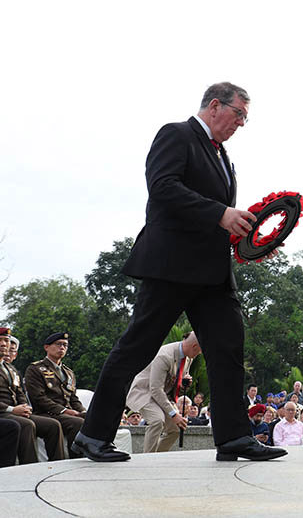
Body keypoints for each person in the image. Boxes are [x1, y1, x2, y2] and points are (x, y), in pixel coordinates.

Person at [72, 83, 286, 464]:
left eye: (245, 118)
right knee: (136, 348)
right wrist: (221, 214)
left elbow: (216, 213)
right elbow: (163, 188)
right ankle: (92, 435)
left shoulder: (224, 157)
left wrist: (248, 239)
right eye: (239, 114)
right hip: (171, 266)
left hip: (213, 275)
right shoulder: (177, 135)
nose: (241, 123)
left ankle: (234, 436)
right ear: (215, 105)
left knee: (228, 349)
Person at [123, 333, 201, 454]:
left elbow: (174, 387)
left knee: (176, 428)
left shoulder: (188, 358)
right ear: (195, 346)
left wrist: (184, 383)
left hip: (162, 395)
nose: (200, 354)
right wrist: (174, 414)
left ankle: (158, 457)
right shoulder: (164, 356)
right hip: (145, 393)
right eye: (200, 350)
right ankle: (147, 460)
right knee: (157, 420)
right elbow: (155, 389)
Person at [0, 328, 65, 464]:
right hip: (4, 413)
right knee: (27, 425)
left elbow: (20, 392)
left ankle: (58, 465)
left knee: (53, 425)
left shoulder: (10, 368)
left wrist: (24, 406)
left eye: (6, 340)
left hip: (17, 411)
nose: (4, 344)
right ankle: (30, 468)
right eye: (0, 341)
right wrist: (12, 409)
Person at [24, 332, 88, 453]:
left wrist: (83, 411)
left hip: (68, 413)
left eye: (65, 345)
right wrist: (64, 411)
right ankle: (74, 461)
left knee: (90, 419)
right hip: (47, 413)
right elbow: (39, 398)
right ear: (46, 347)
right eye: (58, 344)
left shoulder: (68, 372)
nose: (62, 348)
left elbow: (73, 398)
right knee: (78, 423)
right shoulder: (35, 369)